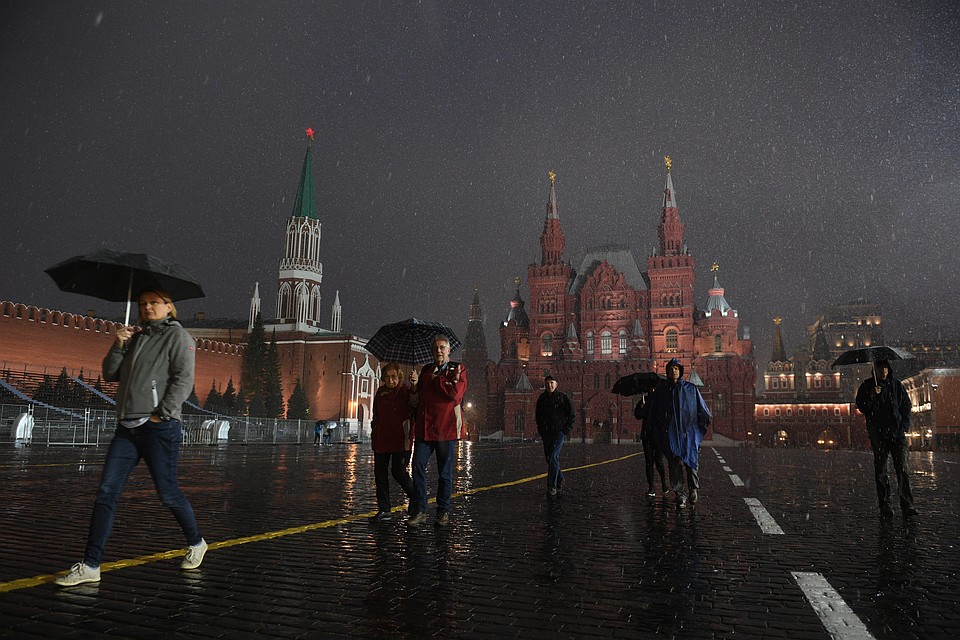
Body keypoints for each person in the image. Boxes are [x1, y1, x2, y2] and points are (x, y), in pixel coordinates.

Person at [55, 289, 207, 587]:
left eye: (154, 302)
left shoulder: (179, 338)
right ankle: (90, 564)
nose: (148, 307)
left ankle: (197, 542)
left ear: (169, 306)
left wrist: (161, 414)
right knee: (106, 493)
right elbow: (111, 373)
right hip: (127, 429)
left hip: (159, 428)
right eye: (143, 303)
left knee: (167, 493)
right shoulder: (136, 338)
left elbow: (183, 380)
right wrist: (118, 343)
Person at [408, 335, 467, 527]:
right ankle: (421, 509)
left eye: (442, 347)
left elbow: (454, 393)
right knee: (417, 466)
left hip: (446, 429)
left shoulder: (457, 369)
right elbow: (416, 401)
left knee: (444, 473)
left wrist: (434, 380)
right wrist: (415, 385)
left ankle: (443, 511)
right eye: (435, 348)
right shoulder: (425, 369)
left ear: (449, 350)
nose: (439, 351)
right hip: (425, 428)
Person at [855, 360, 918, 518]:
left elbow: (906, 406)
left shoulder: (896, 385)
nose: (883, 371)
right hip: (878, 435)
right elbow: (863, 407)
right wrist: (871, 395)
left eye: (885, 368)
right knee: (881, 472)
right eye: (880, 368)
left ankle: (907, 505)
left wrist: (903, 427)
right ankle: (885, 506)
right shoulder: (867, 386)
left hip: (897, 434)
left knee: (902, 470)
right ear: (874, 370)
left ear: (889, 369)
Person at [646, 358, 711, 509]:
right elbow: (654, 414)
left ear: (680, 371)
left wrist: (697, 431)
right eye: (671, 368)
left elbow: (704, 413)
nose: (673, 371)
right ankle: (680, 495)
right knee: (674, 466)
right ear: (667, 371)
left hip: (688, 434)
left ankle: (693, 489)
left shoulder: (691, 389)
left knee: (691, 464)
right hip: (672, 435)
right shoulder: (662, 391)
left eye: (676, 368)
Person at [371, 363, 414, 520]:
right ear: (383, 378)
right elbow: (376, 413)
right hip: (381, 440)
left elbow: (416, 403)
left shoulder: (405, 392)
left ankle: (416, 499)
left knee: (399, 472)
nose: (390, 380)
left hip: (400, 440)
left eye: (394, 376)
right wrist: (375, 428)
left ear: (399, 377)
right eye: (387, 377)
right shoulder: (380, 392)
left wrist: (415, 385)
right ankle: (384, 509)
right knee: (380, 475)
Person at [535, 374, 574, 496]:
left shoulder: (562, 398)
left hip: (558, 433)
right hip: (546, 433)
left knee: (552, 457)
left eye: (552, 383)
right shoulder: (542, 399)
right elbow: (538, 416)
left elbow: (571, 415)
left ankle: (552, 485)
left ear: (556, 384)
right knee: (550, 458)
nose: (549, 385)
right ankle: (560, 477)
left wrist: (565, 430)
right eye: (547, 383)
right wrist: (541, 429)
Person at [635, 395, 668, 498]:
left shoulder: (662, 400)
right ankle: (651, 487)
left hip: (659, 436)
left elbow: (665, 416)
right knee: (649, 462)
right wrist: (642, 408)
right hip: (647, 436)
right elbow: (638, 415)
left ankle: (663, 480)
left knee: (659, 462)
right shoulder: (644, 400)